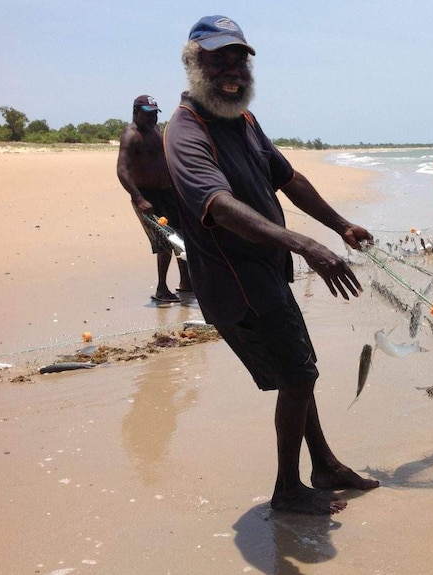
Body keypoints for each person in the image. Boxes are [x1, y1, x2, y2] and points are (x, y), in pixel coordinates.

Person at [163, 15, 380, 515]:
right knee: (299, 376)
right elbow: (217, 204)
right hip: (235, 285)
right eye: (219, 58)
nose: (232, 69)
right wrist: (305, 245)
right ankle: (288, 488)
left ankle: (322, 465)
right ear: (194, 62)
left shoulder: (242, 119)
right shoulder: (185, 131)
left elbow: (288, 177)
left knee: (297, 372)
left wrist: (339, 224)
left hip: (267, 275)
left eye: (240, 57)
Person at [117, 94, 192, 303]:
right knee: (164, 242)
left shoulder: (155, 130)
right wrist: (139, 198)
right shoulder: (131, 135)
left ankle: (186, 282)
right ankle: (161, 288)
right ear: (135, 112)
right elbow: (122, 171)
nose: (152, 119)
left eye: (155, 114)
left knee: (181, 236)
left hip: (168, 192)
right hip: (147, 196)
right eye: (148, 114)